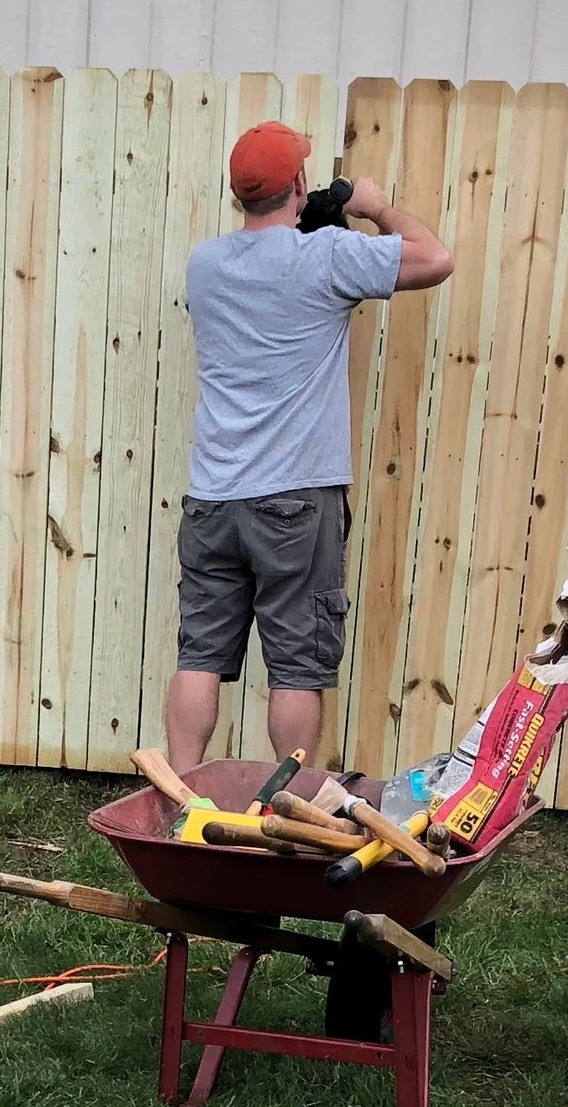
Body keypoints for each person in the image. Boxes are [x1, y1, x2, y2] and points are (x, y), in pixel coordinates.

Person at [163, 120, 453, 771]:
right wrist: (372, 206)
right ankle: (286, 803)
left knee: (199, 655)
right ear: (299, 182)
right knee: (296, 662)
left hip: (213, 497)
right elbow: (435, 257)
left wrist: (310, 223)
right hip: (295, 501)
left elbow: (271, 265)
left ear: (240, 193)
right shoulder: (326, 258)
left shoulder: (204, 263)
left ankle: (178, 797)